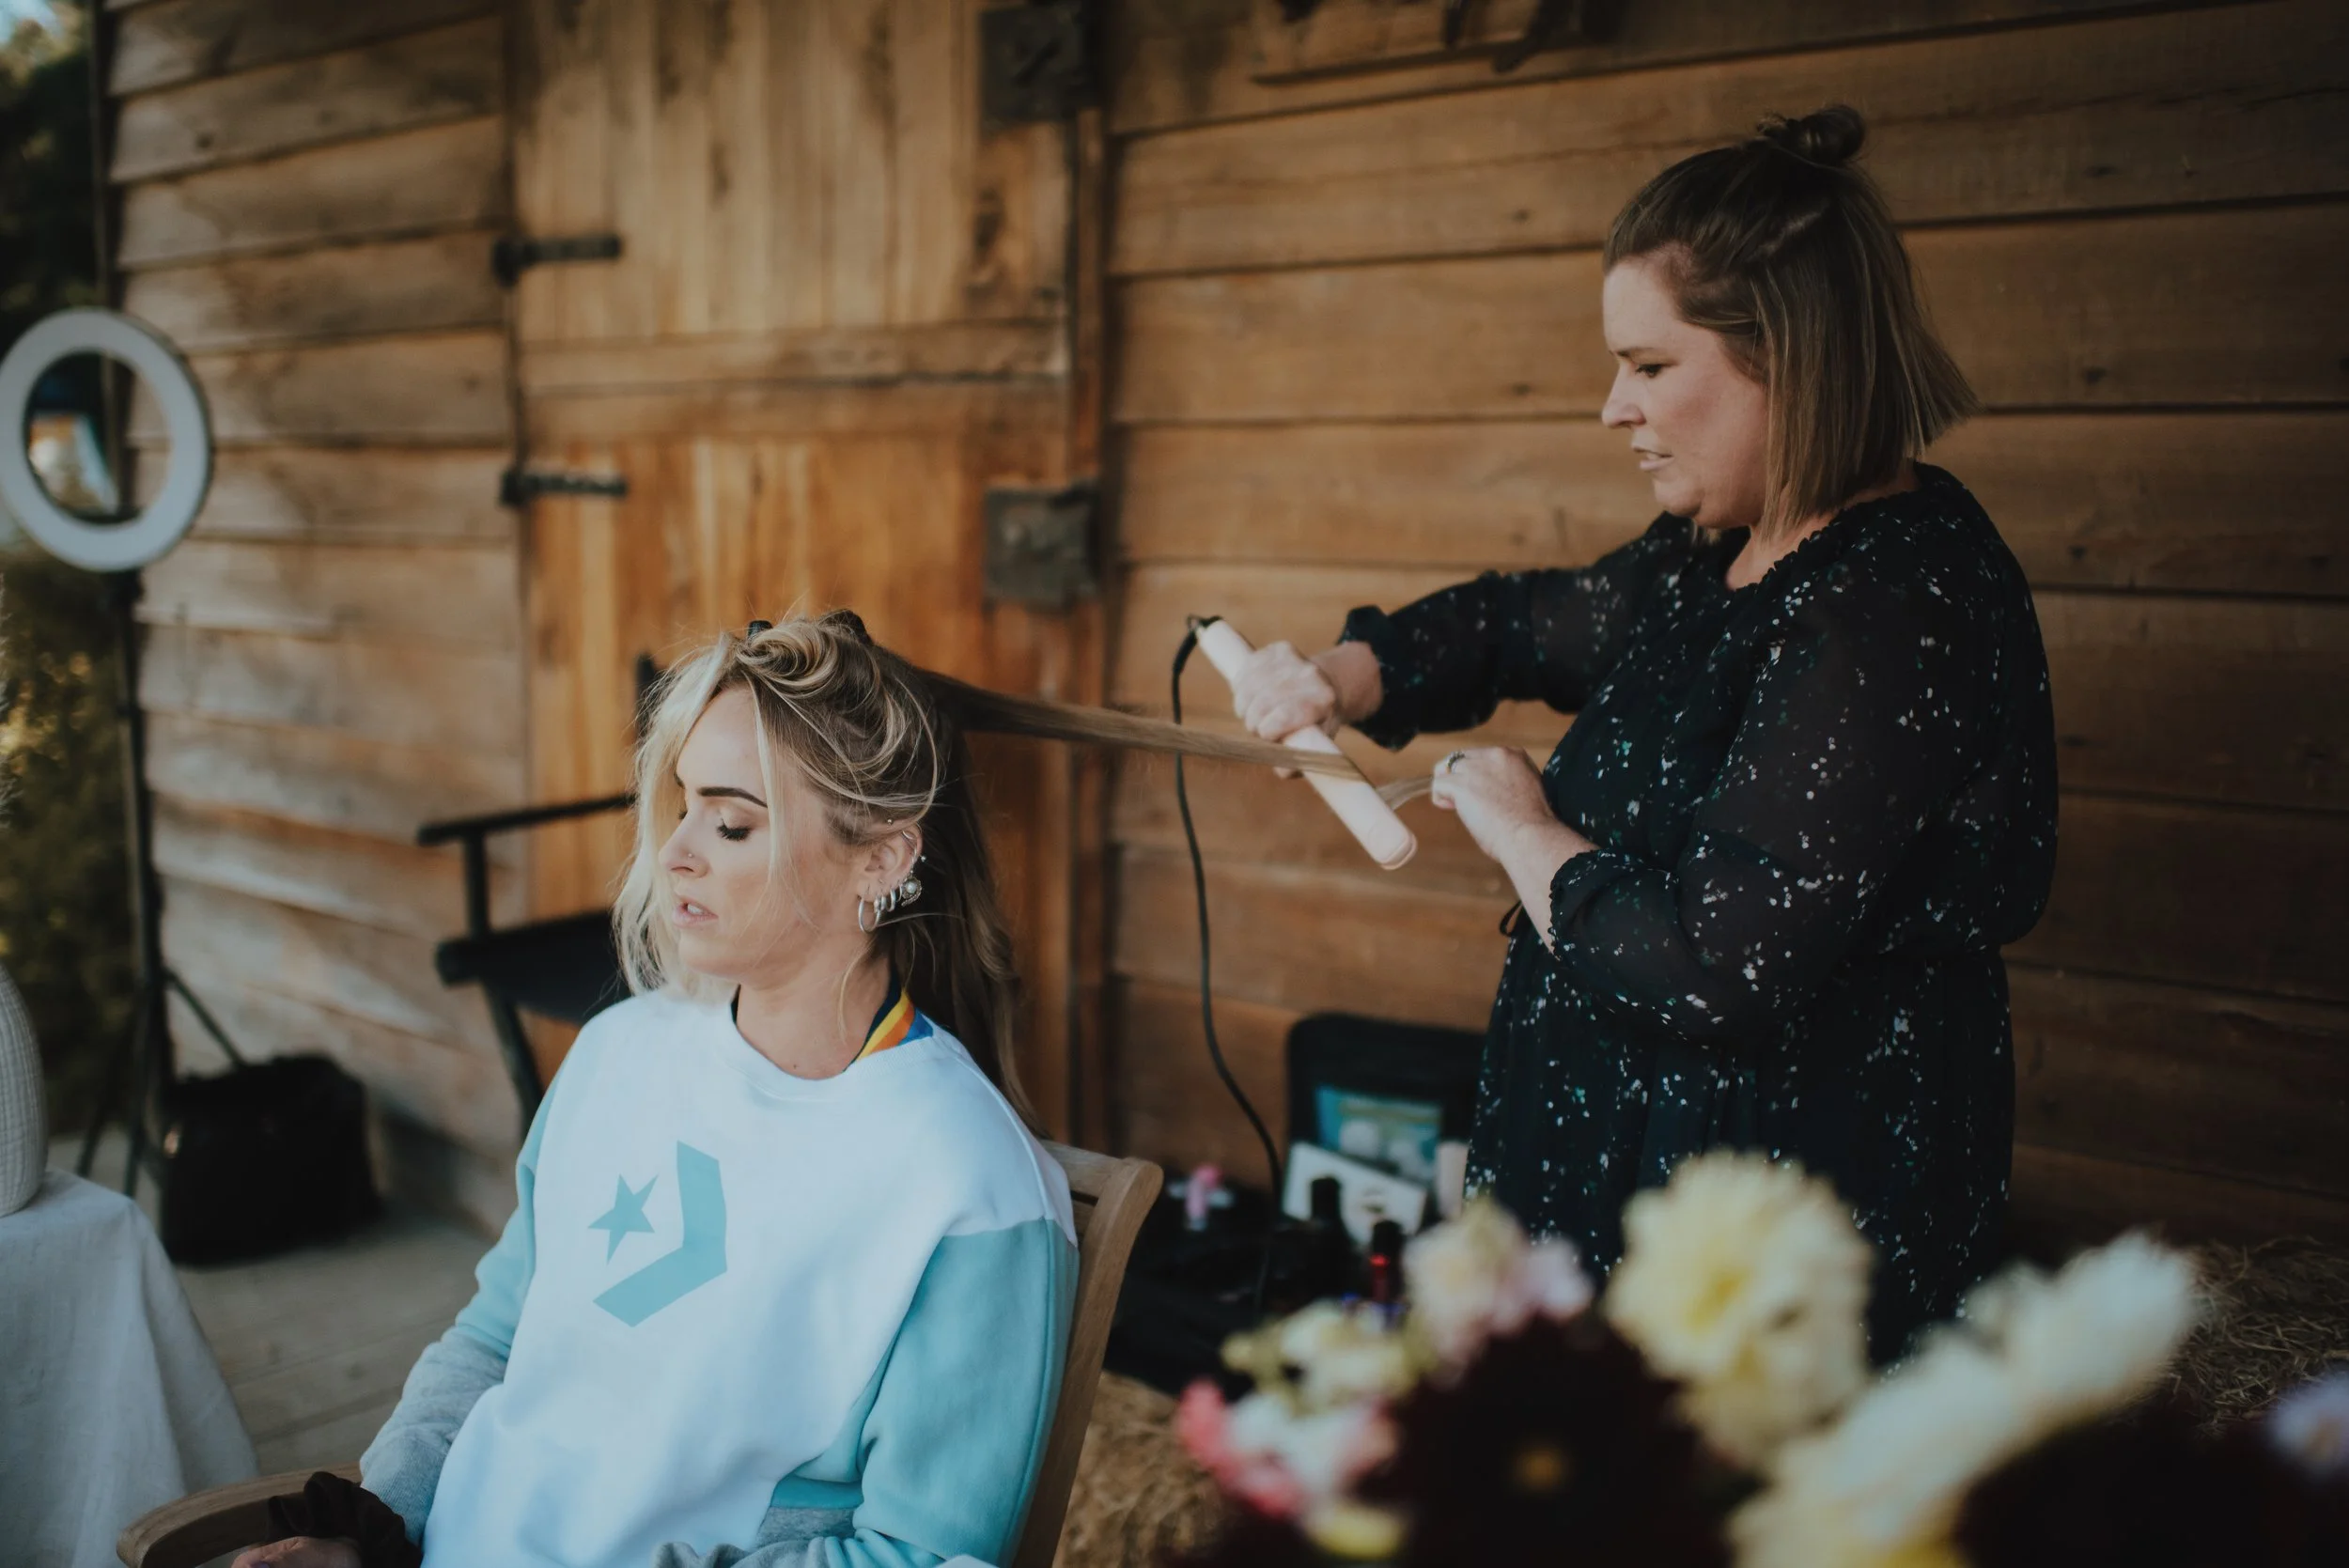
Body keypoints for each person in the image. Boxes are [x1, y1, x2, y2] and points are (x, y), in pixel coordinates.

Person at [1230, 106, 2057, 1352]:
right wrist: (1344, 678)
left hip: (1770, 1249)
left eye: (1652, 366)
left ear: (1791, 353)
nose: (1613, 406)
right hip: (1621, 1198)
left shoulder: (1894, 604)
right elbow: (1528, 624)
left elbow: (1717, 963)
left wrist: (1525, 832)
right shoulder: (1717, 551)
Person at [236, 611, 1078, 1568]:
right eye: (681, 805)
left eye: (731, 821)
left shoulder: (966, 1181)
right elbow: (493, 1345)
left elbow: (926, 1554)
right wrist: (367, 1534)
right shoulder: (617, 1052)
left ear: (881, 858)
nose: (676, 850)